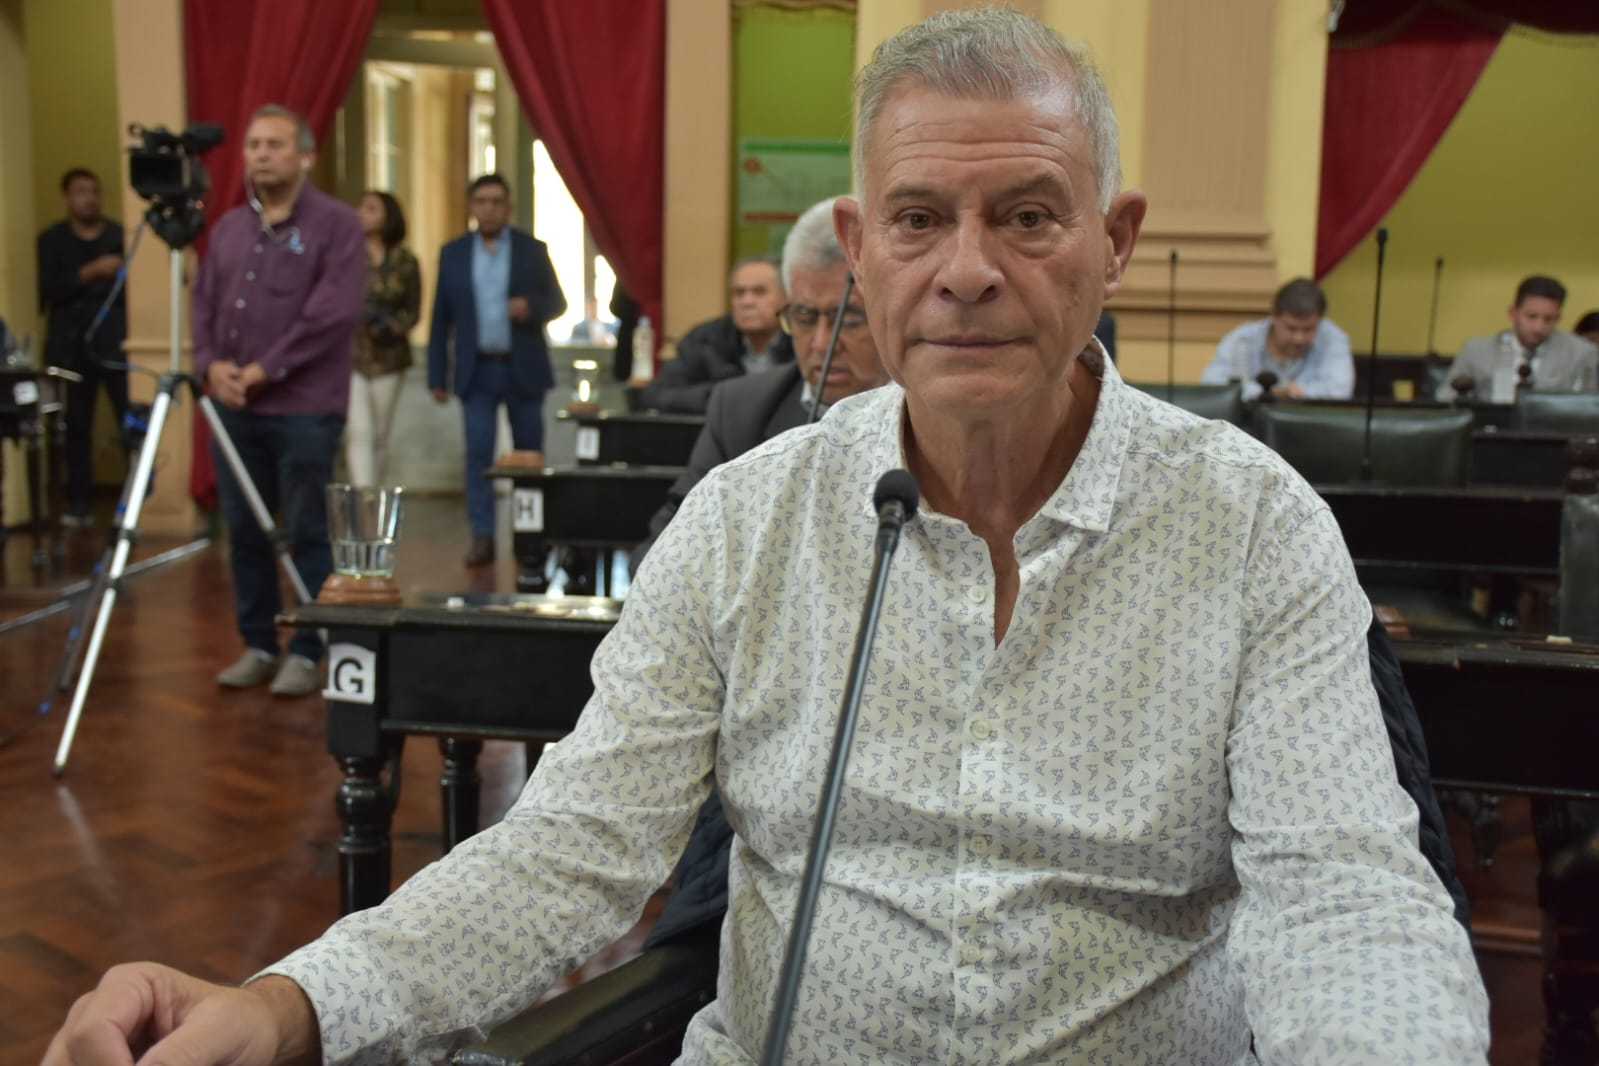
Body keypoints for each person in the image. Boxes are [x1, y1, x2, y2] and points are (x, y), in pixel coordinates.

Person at [44, 11, 1489, 1065]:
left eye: (1027, 216)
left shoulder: (1250, 527)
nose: (967, 270)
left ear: (1113, 240)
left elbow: (1345, 904)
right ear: (857, 251)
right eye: (918, 219)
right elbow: (570, 853)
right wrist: (289, 1003)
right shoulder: (749, 522)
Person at [193, 104, 365, 698]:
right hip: (235, 407)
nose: (261, 155)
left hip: (305, 409)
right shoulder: (228, 229)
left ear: (306, 156)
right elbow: (204, 304)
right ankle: (260, 644)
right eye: (253, 145)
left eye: (275, 145)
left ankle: (310, 649)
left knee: (308, 531)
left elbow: (332, 313)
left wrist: (264, 370)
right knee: (244, 532)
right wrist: (211, 365)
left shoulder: (338, 226)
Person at [631, 196, 889, 571]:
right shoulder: (740, 410)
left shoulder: (928, 412)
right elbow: (662, 554)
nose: (821, 343)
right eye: (804, 317)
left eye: (848, 319)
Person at [427, 173, 566, 569]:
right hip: (477, 371)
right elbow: (440, 320)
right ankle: (482, 536)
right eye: (481, 201)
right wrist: (437, 375)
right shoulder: (454, 254)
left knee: (529, 458)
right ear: (471, 207)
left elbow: (558, 302)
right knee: (478, 457)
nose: (489, 209)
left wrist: (530, 308)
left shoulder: (531, 250)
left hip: (522, 368)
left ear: (508, 207)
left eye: (496, 202)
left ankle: (529, 536)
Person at [36, 167, 131, 526]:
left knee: (129, 421)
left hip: (115, 343)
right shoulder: (52, 241)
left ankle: (135, 502)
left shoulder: (120, 236)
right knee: (75, 426)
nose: (89, 199)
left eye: (94, 191)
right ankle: (78, 503)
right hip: (70, 345)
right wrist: (90, 272)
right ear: (67, 197)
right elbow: (48, 290)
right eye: (80, 192)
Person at [638, 256, 793, 413]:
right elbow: (656, 395)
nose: (747, 302)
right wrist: (725, 396)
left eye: (759, 292)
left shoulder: (799, 339)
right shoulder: (706, 339)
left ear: (785, 298)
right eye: (739, 293)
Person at [346, 190, 421, 489]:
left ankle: (374, 493)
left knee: (380, 432)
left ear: (388, 216)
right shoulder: (347, 255)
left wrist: (391, 326)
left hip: (389, 357)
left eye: (371, 209)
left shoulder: (405, 261)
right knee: (357, 429)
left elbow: (413, 310)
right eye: (361, 207)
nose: (361, 214)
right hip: (351, 355)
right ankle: (361, 493)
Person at [1437, 275, 1599, 400]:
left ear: (1558, 318)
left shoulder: (1581, 353)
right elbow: (1446, 399)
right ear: (1513, 313)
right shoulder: (1477, 351)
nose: (1538, 327)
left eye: (1549, 319)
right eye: (1531, 316)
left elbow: (1589, 409)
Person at [1201, 277, 1353, 400]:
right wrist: (1267, 394)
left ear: (1320, 321)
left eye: (1308, 329)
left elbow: (1339, 391)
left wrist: (1294, 393)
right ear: (1274, 317)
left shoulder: (1333, 339)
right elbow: (1212, 386)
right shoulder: (1242, 340)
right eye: (1291, 328)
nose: (1299, 338)